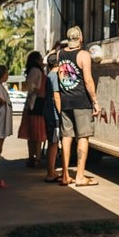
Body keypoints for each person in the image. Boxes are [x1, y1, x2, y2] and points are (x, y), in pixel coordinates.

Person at [56, 26, 100, 187]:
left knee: (67, 137)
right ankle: (80, 176)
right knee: (83, 137)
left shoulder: (60, 54)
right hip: (81, 101)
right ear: (80, 38)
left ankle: (65, 176)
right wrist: (95, 101)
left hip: (66, 100)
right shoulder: (84, 55)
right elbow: (88, 81)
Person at [16, 52, 47, 167]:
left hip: (32, 103)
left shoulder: (33, 70)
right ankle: (37, 158)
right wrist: (38, 91)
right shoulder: (37, 71)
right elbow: (32, 87)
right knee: (37, 134)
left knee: (31, 134)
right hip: (37, 103)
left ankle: (31, 157)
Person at [43, 52, 63, 183]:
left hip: (48, 113)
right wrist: (62, 113)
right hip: (54, 115)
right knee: (54, 143)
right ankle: (50, 172)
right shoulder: (55, 76)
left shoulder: (48, 75)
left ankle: (52, 170)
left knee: (53, 142)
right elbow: (57, 95)